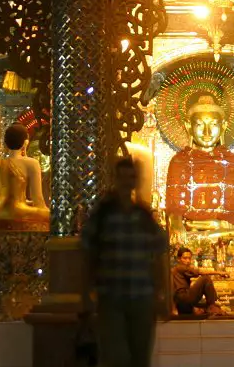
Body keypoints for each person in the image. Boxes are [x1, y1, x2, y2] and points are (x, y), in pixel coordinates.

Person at [80, 156, 167, 367]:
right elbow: (87, 253)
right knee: (116, 356)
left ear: (135, 181)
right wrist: (86, 292)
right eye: (122, 177)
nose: (127, 182)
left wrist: (162, 294)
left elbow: (159, 256)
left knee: (140, 356)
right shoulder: (103, 215)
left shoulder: (143, 216)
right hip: (112, 296)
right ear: (115, 179)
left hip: (142, 296)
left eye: (131, 177)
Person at [170, 247, 225, 316]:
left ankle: (210, 306)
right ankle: (211, 305)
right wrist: (218, 272)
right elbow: (199, 272)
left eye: (189, 258)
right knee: (205, 279)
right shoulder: (180, 267)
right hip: (183, 298)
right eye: (185, 258)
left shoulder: (176, 270)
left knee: (208, 305)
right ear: (178, 259)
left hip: (182, 300)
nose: (188, 261)